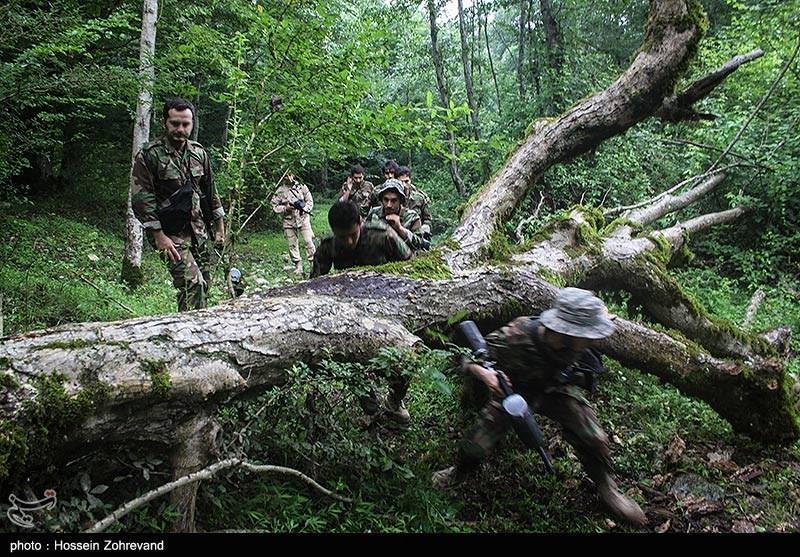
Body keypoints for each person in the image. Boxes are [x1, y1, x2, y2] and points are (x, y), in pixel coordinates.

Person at [432, 287, 648, 527]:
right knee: (476, 445)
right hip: (515, 392)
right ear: (567, 331)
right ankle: (459, 472)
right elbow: (469, 357)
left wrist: (599, 316)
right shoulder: (516, 336)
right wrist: (483, 374)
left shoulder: (577, 341)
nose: (594, 339)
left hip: (554, 388)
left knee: (594, 437)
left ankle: (607, 487)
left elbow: (601, 318)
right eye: (588, 333)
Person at [131, 97, 225, 312]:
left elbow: (211, 191)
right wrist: (158, 235)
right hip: (169, 233)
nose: (180, 129)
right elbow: (141, 199)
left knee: (204, 285)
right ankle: (190, 337)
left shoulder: (198, 153)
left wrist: (219, 226)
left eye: (185, 124)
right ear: (165, 122)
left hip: (198, 230)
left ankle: (196, 329)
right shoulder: (149, 155)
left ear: (192, 124)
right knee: (192, 284)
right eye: (175, 123)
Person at [310, 201, 412, 278]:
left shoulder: (383, 236)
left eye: (353, 234)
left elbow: (409, 262)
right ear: (333, 230)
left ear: (360, 222)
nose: (349, 242)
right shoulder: (329, 244)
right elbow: (315, 281)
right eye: (342, 237)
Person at [271, 171, 315, 276]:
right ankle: (298, 265)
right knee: (292, 244)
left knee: (308, 241)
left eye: (290, 175)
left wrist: (304, 208)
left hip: (303, 218)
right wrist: (285, 208)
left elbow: (310, 201)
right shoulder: (280, 191)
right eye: (286, 175)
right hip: (288, 220)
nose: (288, 177)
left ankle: (313, 264)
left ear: (293, 175)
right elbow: (274, 206)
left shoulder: (302, 187)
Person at [365, 179, 429, 252]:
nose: (389, 205)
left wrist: (400, 229)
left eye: (394, 201)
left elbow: (419, 243)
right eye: (386, 200)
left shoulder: (411, 217)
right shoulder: (374, 213)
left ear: (400, 201)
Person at [395, 166, 432, 241]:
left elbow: (428, 219)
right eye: (401, 182)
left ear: (410, 180)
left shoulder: (419, 198)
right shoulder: (391, 198)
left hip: (416, 236)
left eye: (406, 181)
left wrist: (425, 228)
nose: (404, 185)